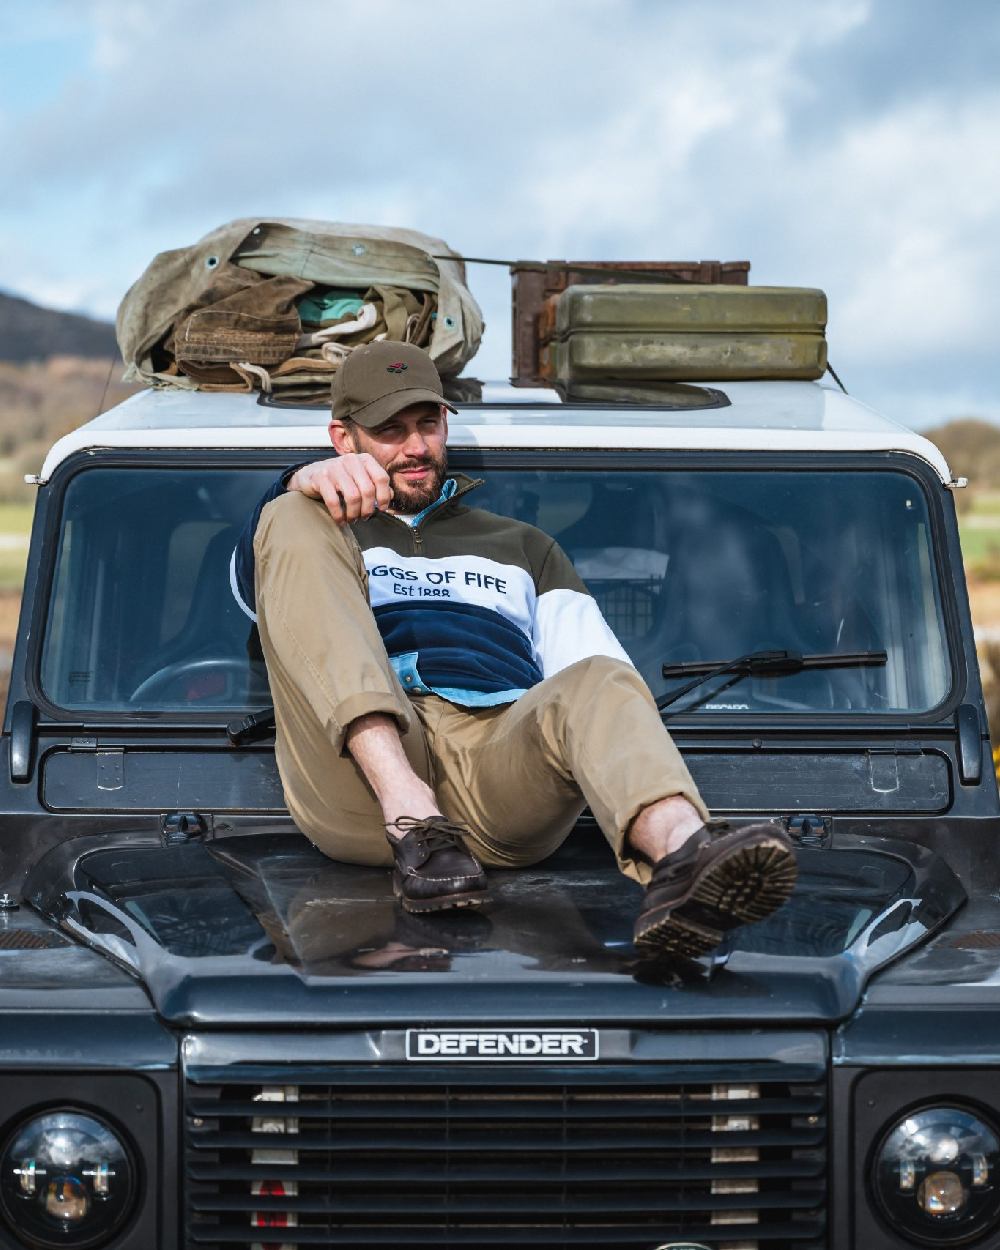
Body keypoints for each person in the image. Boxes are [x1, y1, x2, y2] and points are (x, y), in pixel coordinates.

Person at [231, 340, 797, 959]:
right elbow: (261, 565)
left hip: (500, 764)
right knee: (290, 517)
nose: (416, 448)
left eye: (428, 424)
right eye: (390, 431)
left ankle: (685, 859)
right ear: (343, 438)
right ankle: (414, 818)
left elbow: (598, 678)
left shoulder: (524, 544)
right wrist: (299, 479)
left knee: (600, 677)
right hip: (364, 783)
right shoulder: (307, 526)